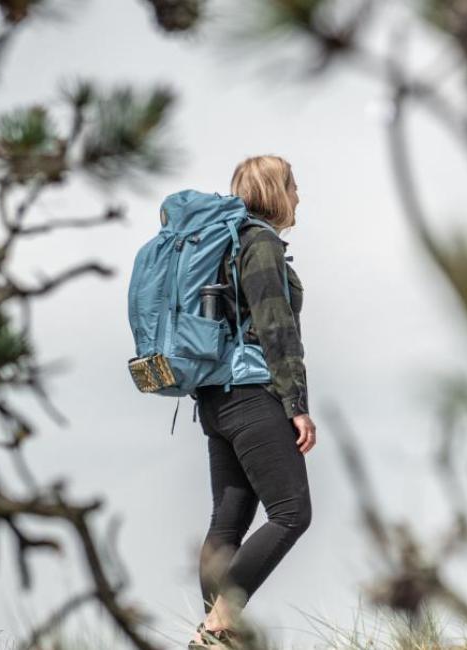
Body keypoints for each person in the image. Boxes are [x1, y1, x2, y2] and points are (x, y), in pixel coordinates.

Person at [190, 155, 316, 648]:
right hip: (252, 396)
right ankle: (219, 624)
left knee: (230, 519)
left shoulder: (221, 245)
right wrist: (296, 403)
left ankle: (214, 637)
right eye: (294, 183)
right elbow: (275, 327)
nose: (299, 195)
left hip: (215, 401)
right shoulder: (259, 243)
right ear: (276, 190)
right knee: (291, 512)